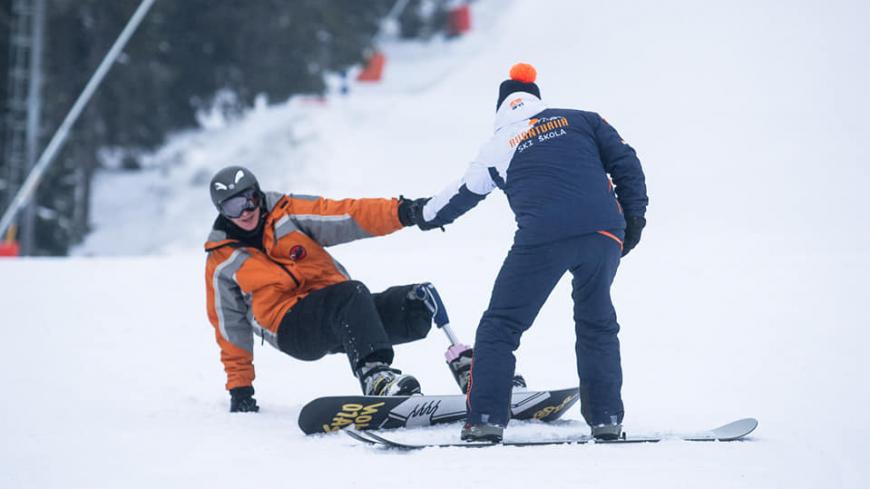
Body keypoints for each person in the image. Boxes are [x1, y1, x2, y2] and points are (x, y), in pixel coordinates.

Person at [407, 63, 649, 441]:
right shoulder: (583, 119)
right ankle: (606, 420)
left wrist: (421, 215)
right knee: (596, 322)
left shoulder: (499, 143)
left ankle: (485, 419)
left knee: (501, 325)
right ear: (536, 99)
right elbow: (627, 162)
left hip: (544, 237)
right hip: (604, 231)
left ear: (502, 108)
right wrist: (633, 219)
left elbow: (460, 194)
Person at [204, 165, 436, 413]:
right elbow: (229, 325)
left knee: (414, 304)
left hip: (333, 309)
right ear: (221, 211)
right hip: (289, 327)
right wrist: (240, 388)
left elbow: (346, 216)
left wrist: (402, 212)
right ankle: (375, 378)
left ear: (258, 194)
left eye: (249, 200)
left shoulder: (287, 213)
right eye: (233, 207)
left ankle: (466, 368)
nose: (245, 212)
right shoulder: (221, 260)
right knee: (351, 295)